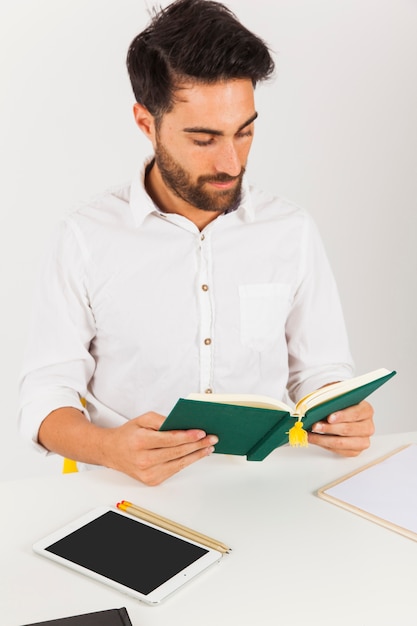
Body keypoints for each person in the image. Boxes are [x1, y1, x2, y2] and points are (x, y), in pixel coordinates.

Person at [18, 0, 374, 485]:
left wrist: (342, 414)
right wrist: (108, 447)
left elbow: (320, 371)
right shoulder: (84, 237)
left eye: (244, 132)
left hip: (264, 489)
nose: (231, 162)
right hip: (124, 494)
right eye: (204, 140)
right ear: (147, 123)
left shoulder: (291, 230)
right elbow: (46, 396)